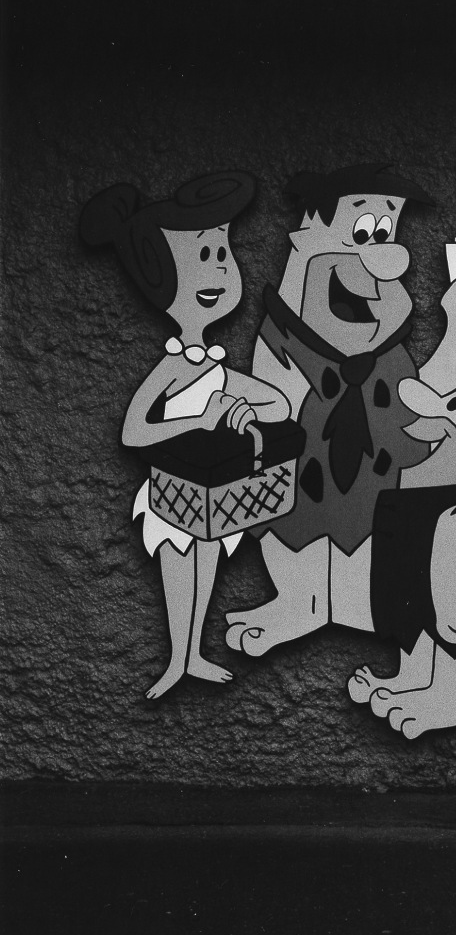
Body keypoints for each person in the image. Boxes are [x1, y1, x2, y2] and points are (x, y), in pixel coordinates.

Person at [80, 172, 291, 699]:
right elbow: (134, 431)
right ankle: (177, 659)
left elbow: (279, 401)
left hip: (215, 494)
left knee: (206, 572)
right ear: (160, 279)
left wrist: (242, 407)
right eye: (202, 256)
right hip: (172, 493)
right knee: (180, 575)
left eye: (222, 253)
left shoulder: (215, 366)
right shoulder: (176, 365)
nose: (220, 267)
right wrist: (200, 419)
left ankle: (194, 654)